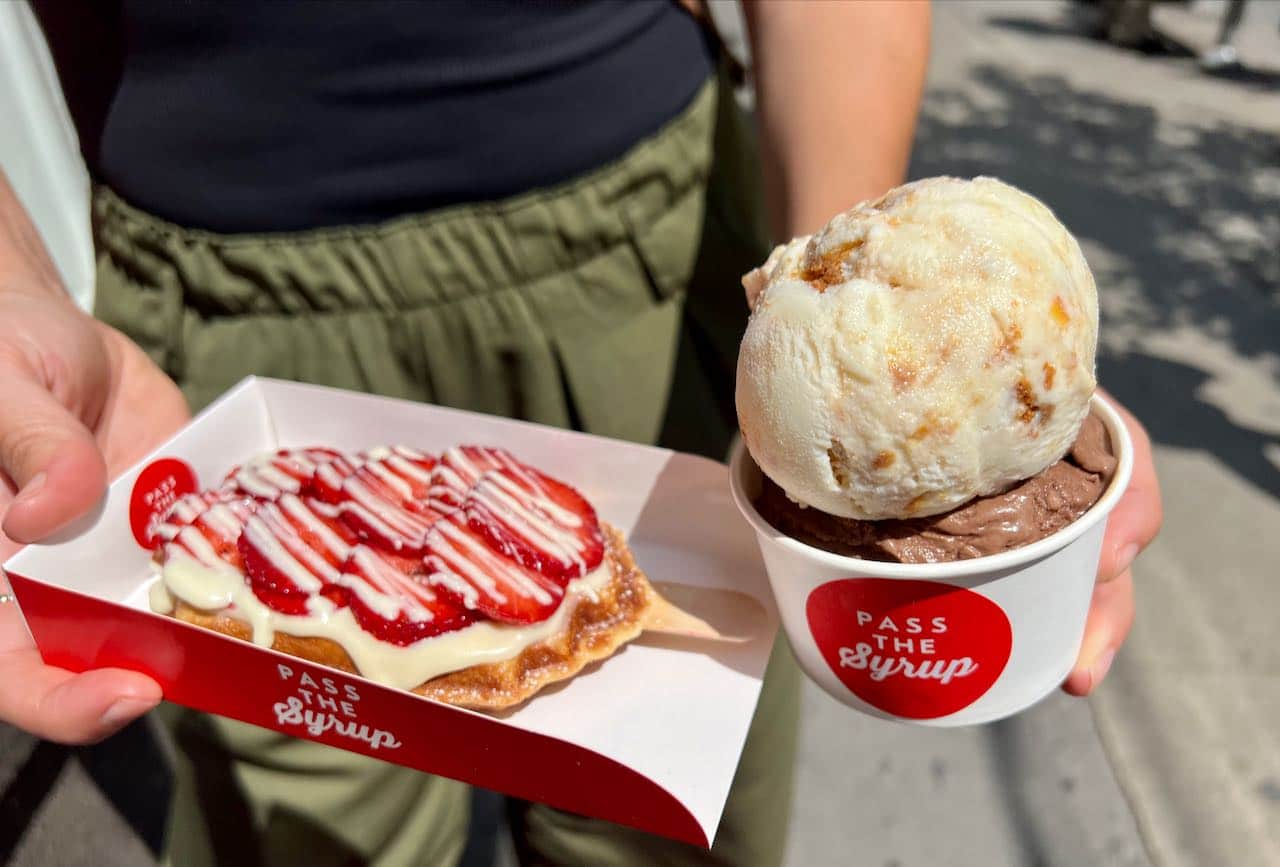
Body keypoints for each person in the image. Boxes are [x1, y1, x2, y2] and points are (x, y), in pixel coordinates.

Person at [0, 2, 1160, 865]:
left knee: (665, 829)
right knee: (306, 836)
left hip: (645, 272)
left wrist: (874, 361)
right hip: (219, 317)